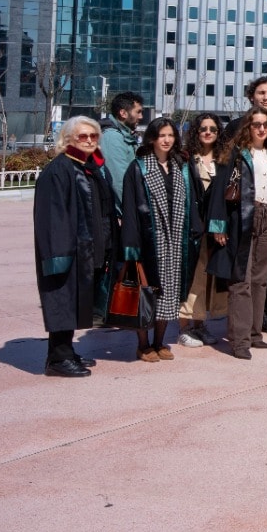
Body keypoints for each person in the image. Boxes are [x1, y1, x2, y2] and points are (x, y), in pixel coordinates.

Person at [209, 109, 267, 360]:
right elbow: (219, 189)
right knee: (241, 279)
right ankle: (239, 340)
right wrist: (219, 225)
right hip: (243, 218)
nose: (261, 129)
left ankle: (255, 333)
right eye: (256, 124)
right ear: (248, 127)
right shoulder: (236, 154)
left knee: (261, 279)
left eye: (265, 125)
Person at [33, 116, 114, 377]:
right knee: (62, 301)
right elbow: (51, 217)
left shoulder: (89, 167)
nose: (89, 140)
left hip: (86, 248)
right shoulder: (59, 170)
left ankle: (66, 351)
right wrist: (58, 254)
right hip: (66, 250)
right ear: (68, 139)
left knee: (75, 302)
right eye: (83, 136)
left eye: (93, 136)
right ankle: (58, 360)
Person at [119, 117, 203, 362]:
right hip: (149, 240)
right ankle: (143, 344)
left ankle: (159, 341)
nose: (166, 140)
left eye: (170, 135)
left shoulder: (181, 166)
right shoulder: (139, 167)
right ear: (152, 138)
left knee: (170, 293)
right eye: (161, 135)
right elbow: (130, 208)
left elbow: (193, 201)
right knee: (146, 292)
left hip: (176, 239)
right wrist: (131, 245)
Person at [178, 113, 229, 348]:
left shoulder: (223, 159)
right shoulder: (186, 158)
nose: (208, 133)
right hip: (192, 226)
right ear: (195, 132)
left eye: (213, 129)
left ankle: (200, 325)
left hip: (214, 227)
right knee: (192, 277)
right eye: (203, 129)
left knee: (208, 278)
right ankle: (184, 327)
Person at [98, 91, 143, 211]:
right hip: (119, 212)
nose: (141, 117)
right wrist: (129, 212)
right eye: (138, 112)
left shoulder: (124, 135)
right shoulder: (112, 137)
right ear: (123, 113)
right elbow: (119, 181)